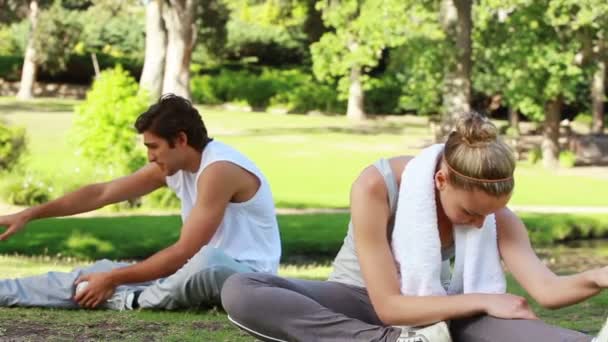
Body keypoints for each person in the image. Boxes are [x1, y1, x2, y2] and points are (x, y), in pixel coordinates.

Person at [221, 112, 608, 342]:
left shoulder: (492, 215)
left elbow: (546, 289)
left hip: (437, 322)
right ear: (441, 181)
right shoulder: (376, 185)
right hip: (358, 304)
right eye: (471, 212)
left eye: (489, 215)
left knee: (512, 327)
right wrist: (486, 300)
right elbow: (388, 305)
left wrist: (600, 277)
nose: (479, 223)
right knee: (243, 290)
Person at [0, 94, 281, 311]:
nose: (150, 157)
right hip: (189, 276)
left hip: (247, 280)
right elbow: (102, 193)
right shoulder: (175, 166)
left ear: (180, 140)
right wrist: (30, 213)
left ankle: (132, 300)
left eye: (153, 147)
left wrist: (114, 279)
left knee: (206, 260)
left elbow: (185, 252)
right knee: (99, 272)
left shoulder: (219, 169)